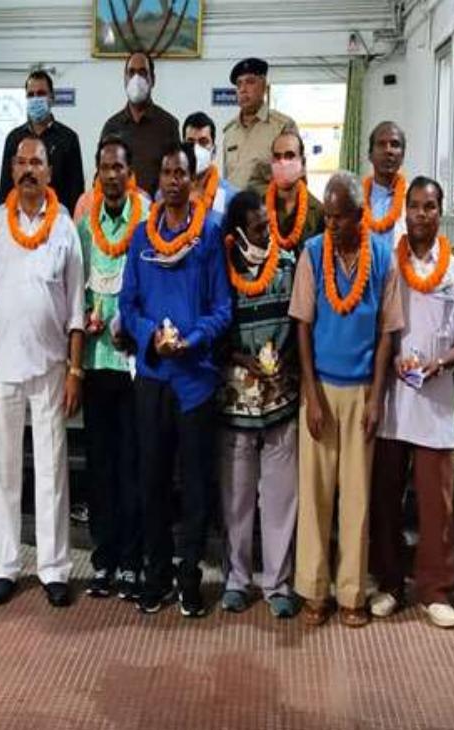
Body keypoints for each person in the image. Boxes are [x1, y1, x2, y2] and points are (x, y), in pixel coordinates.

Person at [118, 142, 231, 618]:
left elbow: (222, 308)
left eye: (180, 173)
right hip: (152, 377)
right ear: (158, 179)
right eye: (165, 173)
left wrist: (193, 339)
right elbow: (128, 304)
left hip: (195, 380)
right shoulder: (141, 237)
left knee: (197, 487)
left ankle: (189, 579)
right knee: (153, 480)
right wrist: (151, 336)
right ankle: (157, 576)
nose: (172, 181)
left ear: (192, 179)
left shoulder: (209, 234)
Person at [288, 171, 404, 628]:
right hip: (320, 389)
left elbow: (387, 333)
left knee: (356, 499)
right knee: (315, 496)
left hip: (361, 393)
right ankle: (314, 591)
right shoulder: (312, 253)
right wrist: (311, 394)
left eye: (339, 217)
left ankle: (353, 593)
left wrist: (376, 398)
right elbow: (302, 325)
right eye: (327, 217)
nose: (331, 225)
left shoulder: (382, 257)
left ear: (360, 215)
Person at [0, 136, 85, 609]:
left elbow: (76, 307)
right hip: (4, 365)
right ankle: (4, 566)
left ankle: (54, 569)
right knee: (3, 469)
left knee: (52, 470)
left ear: (49, 172)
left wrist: (76, 370)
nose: (28, 170)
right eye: (20, 162)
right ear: (12, 170)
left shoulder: (65, 227)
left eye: (36, 162)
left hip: (52, 365)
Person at [369, 177, 454, 629]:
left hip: (436, 403)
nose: (421, 213)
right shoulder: (389, 266)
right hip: (393, 403)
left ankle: (435, 590)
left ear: (440, 212)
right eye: (414, 206)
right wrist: (393, 358)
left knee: (437, 505)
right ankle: (390, 584)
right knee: (385, 500)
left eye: (429, 206)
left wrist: (440, 362)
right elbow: (378, 326)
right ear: (405, 212)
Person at [217, 191, 301, 619]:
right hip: (236, 401)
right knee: (237, 498)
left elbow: (300, 322)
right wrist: (241, 358)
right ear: (237, 232)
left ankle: (278, 584)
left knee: (281, 497)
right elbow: (215, 327)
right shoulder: (222, 270)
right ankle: (236, 579)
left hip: (280, 396)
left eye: (267, 226)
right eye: (257, 228)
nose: (266, 234)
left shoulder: (287, 265)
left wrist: (284, 358)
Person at [76, 136, 148, 600]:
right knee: (100, 466)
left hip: (134, 363)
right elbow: (76, 286)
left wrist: (135, 327)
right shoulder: (85, 226)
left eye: (119, 167)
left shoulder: (146, 223)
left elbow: (152, 286)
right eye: (105, 168)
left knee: (132, 465)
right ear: (97, 174)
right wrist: (87, 316)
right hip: (96, 359)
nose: (112, 175)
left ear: (130, 172)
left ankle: (132, 561)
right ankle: (103, 560)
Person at [0, 70, 85, 214]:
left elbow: (76, 191)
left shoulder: (68, 138)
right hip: (20, 219)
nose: (35, 99)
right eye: (31, 95)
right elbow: (5, 190)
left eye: (41, 94)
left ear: (52, 97)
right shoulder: (14, 139)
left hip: (58, 218)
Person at [99, 52, 180, 196]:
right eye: (131, 73)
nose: (136, 79)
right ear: (125, 80)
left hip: (157, 207)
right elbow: (102, 174)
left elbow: (176, 175)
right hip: (121, 207)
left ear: (153, 79)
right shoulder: (111, 127)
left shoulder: (168, 125)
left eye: (142, 73)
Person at [221, 58, 297, 195]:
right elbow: (227, 179)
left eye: (250, 82)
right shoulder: (230, 131)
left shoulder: (282, 127)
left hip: (267, 207)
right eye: (239, 84)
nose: (243, 89)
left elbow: (293, 181)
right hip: (234, 206)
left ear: (264, 87)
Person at [264, 131, 324, 255]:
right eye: (277, 157)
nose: (283, 162)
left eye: (289, 156)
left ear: (303, 164)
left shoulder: (319, 213)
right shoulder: (259, 208)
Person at [363, 121, 408, 245]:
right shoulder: (355, 199)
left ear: (402, 156)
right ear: (370, 155)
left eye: (395, 144)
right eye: (381, 144)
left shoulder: (413, 199)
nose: (388, 150)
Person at [183, 111, 235, 216]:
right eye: (190, 142)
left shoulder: (231, 197)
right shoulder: (168, 193)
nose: (196, 149)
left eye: (203, 142)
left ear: (214, 151)